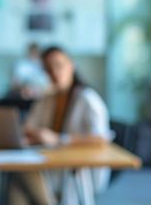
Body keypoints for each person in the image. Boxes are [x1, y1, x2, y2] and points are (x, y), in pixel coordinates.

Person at [10, 46, 111, 205]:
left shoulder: (88, 99)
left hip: (77, 171)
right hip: (51, 163)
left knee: (21, 175)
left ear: (72, 66)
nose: (54, 72)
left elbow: (101, 138)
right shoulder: (47, 98)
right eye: (48, 69)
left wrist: (58, 139)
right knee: (16, 180)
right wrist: (36, 135)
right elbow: (27, 127)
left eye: (59, 65)